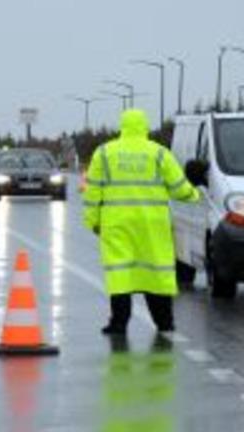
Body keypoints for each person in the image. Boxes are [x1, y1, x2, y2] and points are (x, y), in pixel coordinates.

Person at [82, 108, 200, 335]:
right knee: (156, 271)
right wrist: (194, 194)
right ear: (145, 128)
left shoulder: (104, 153)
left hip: (116, 223)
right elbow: (178, 188)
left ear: (122, 128)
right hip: (152, 224)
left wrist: (93, 221)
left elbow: (92, 193)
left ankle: (119, 323)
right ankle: (164, 322)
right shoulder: (159, 153)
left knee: (120, 273)